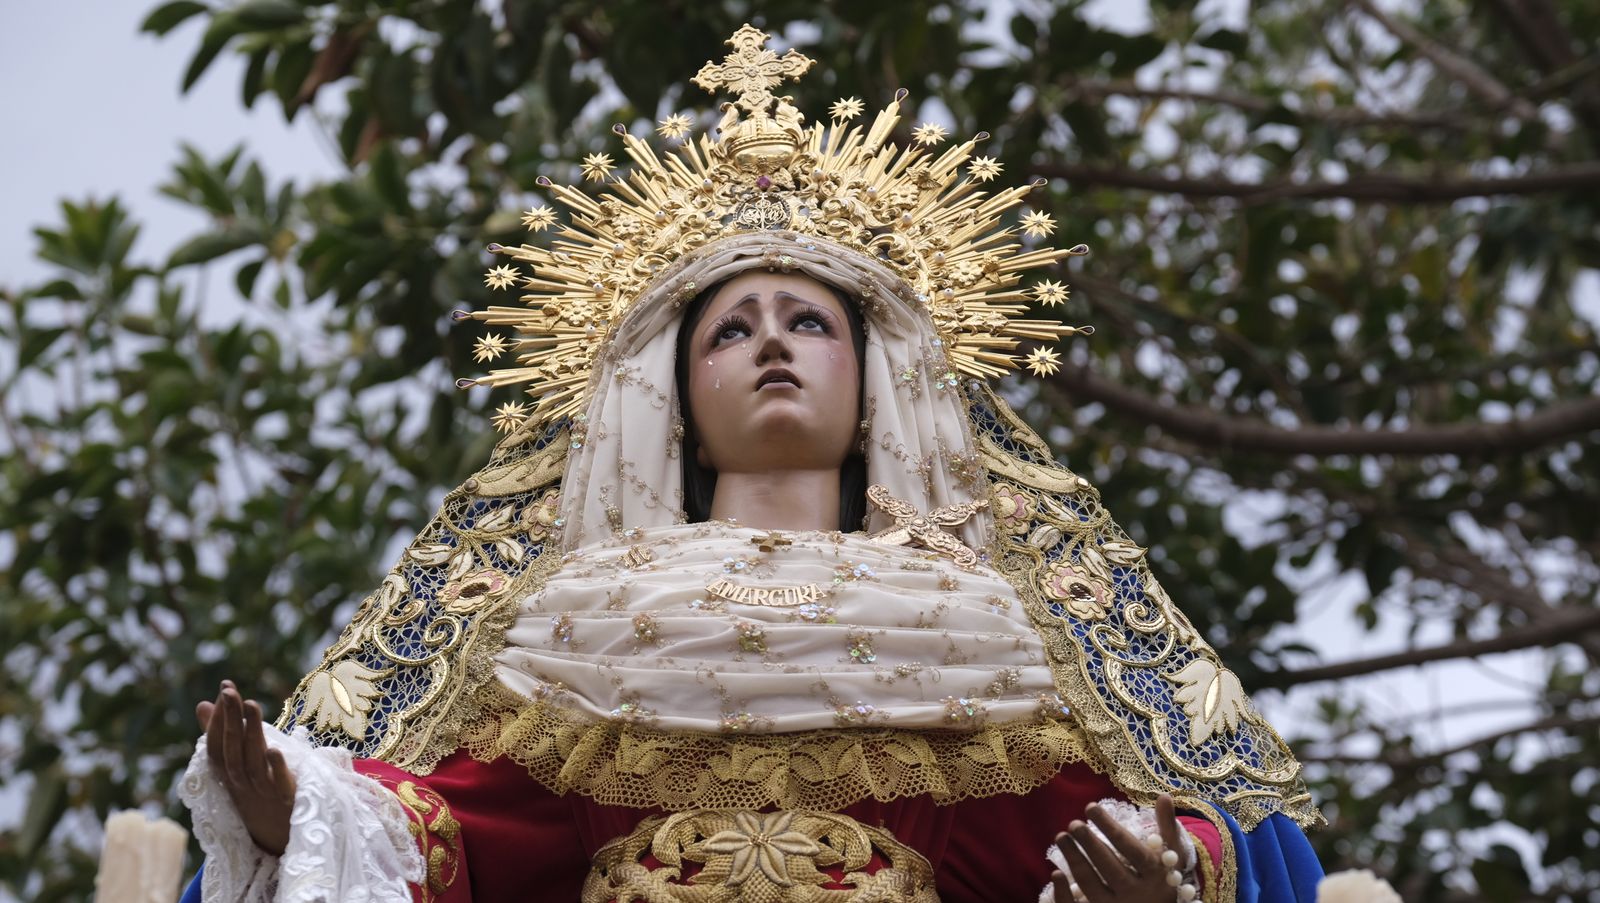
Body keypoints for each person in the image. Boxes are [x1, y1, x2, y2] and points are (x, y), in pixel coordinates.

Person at [179, 25, 1326, 903]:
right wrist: (299, 811)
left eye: (809, 322)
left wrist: (1164, 874)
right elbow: (450, 835)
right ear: (671, 400)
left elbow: (1153, 829)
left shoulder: (984, 632)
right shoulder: (580, 627)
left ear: (877, 382)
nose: (771, 340)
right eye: (730, 329)